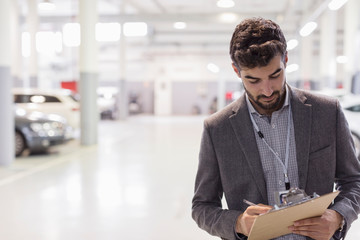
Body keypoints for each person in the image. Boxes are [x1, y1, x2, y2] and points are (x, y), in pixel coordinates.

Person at [191, 17, 360, 240]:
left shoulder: (327, 112)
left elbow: (353, 181)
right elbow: (202, 206)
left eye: (275, 75)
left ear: (286, 60)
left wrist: (338, 216)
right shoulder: (218, 129)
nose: (267, 90)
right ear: (236, 70)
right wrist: (239, 223)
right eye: (253, 81)